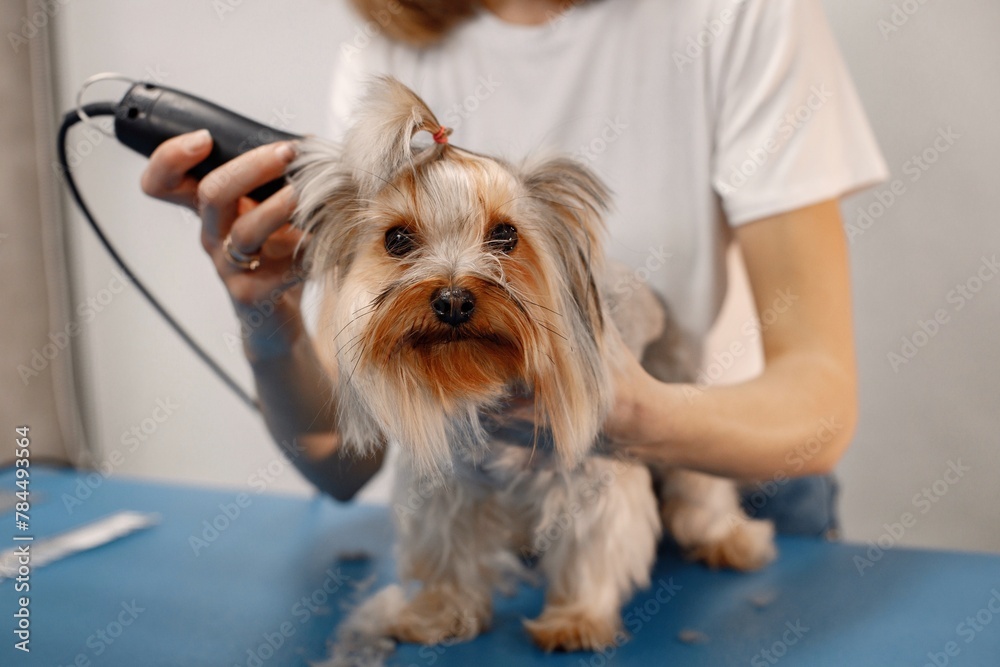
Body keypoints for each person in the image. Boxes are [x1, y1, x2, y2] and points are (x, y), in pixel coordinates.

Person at [139, 0, 888, 536]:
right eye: (400, 242)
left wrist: (623, 412)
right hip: (485, 515)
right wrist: (267, 321)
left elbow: (818, 408)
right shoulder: (388, 49)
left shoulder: (740, 13)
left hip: (722, 485)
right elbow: (344, 458)